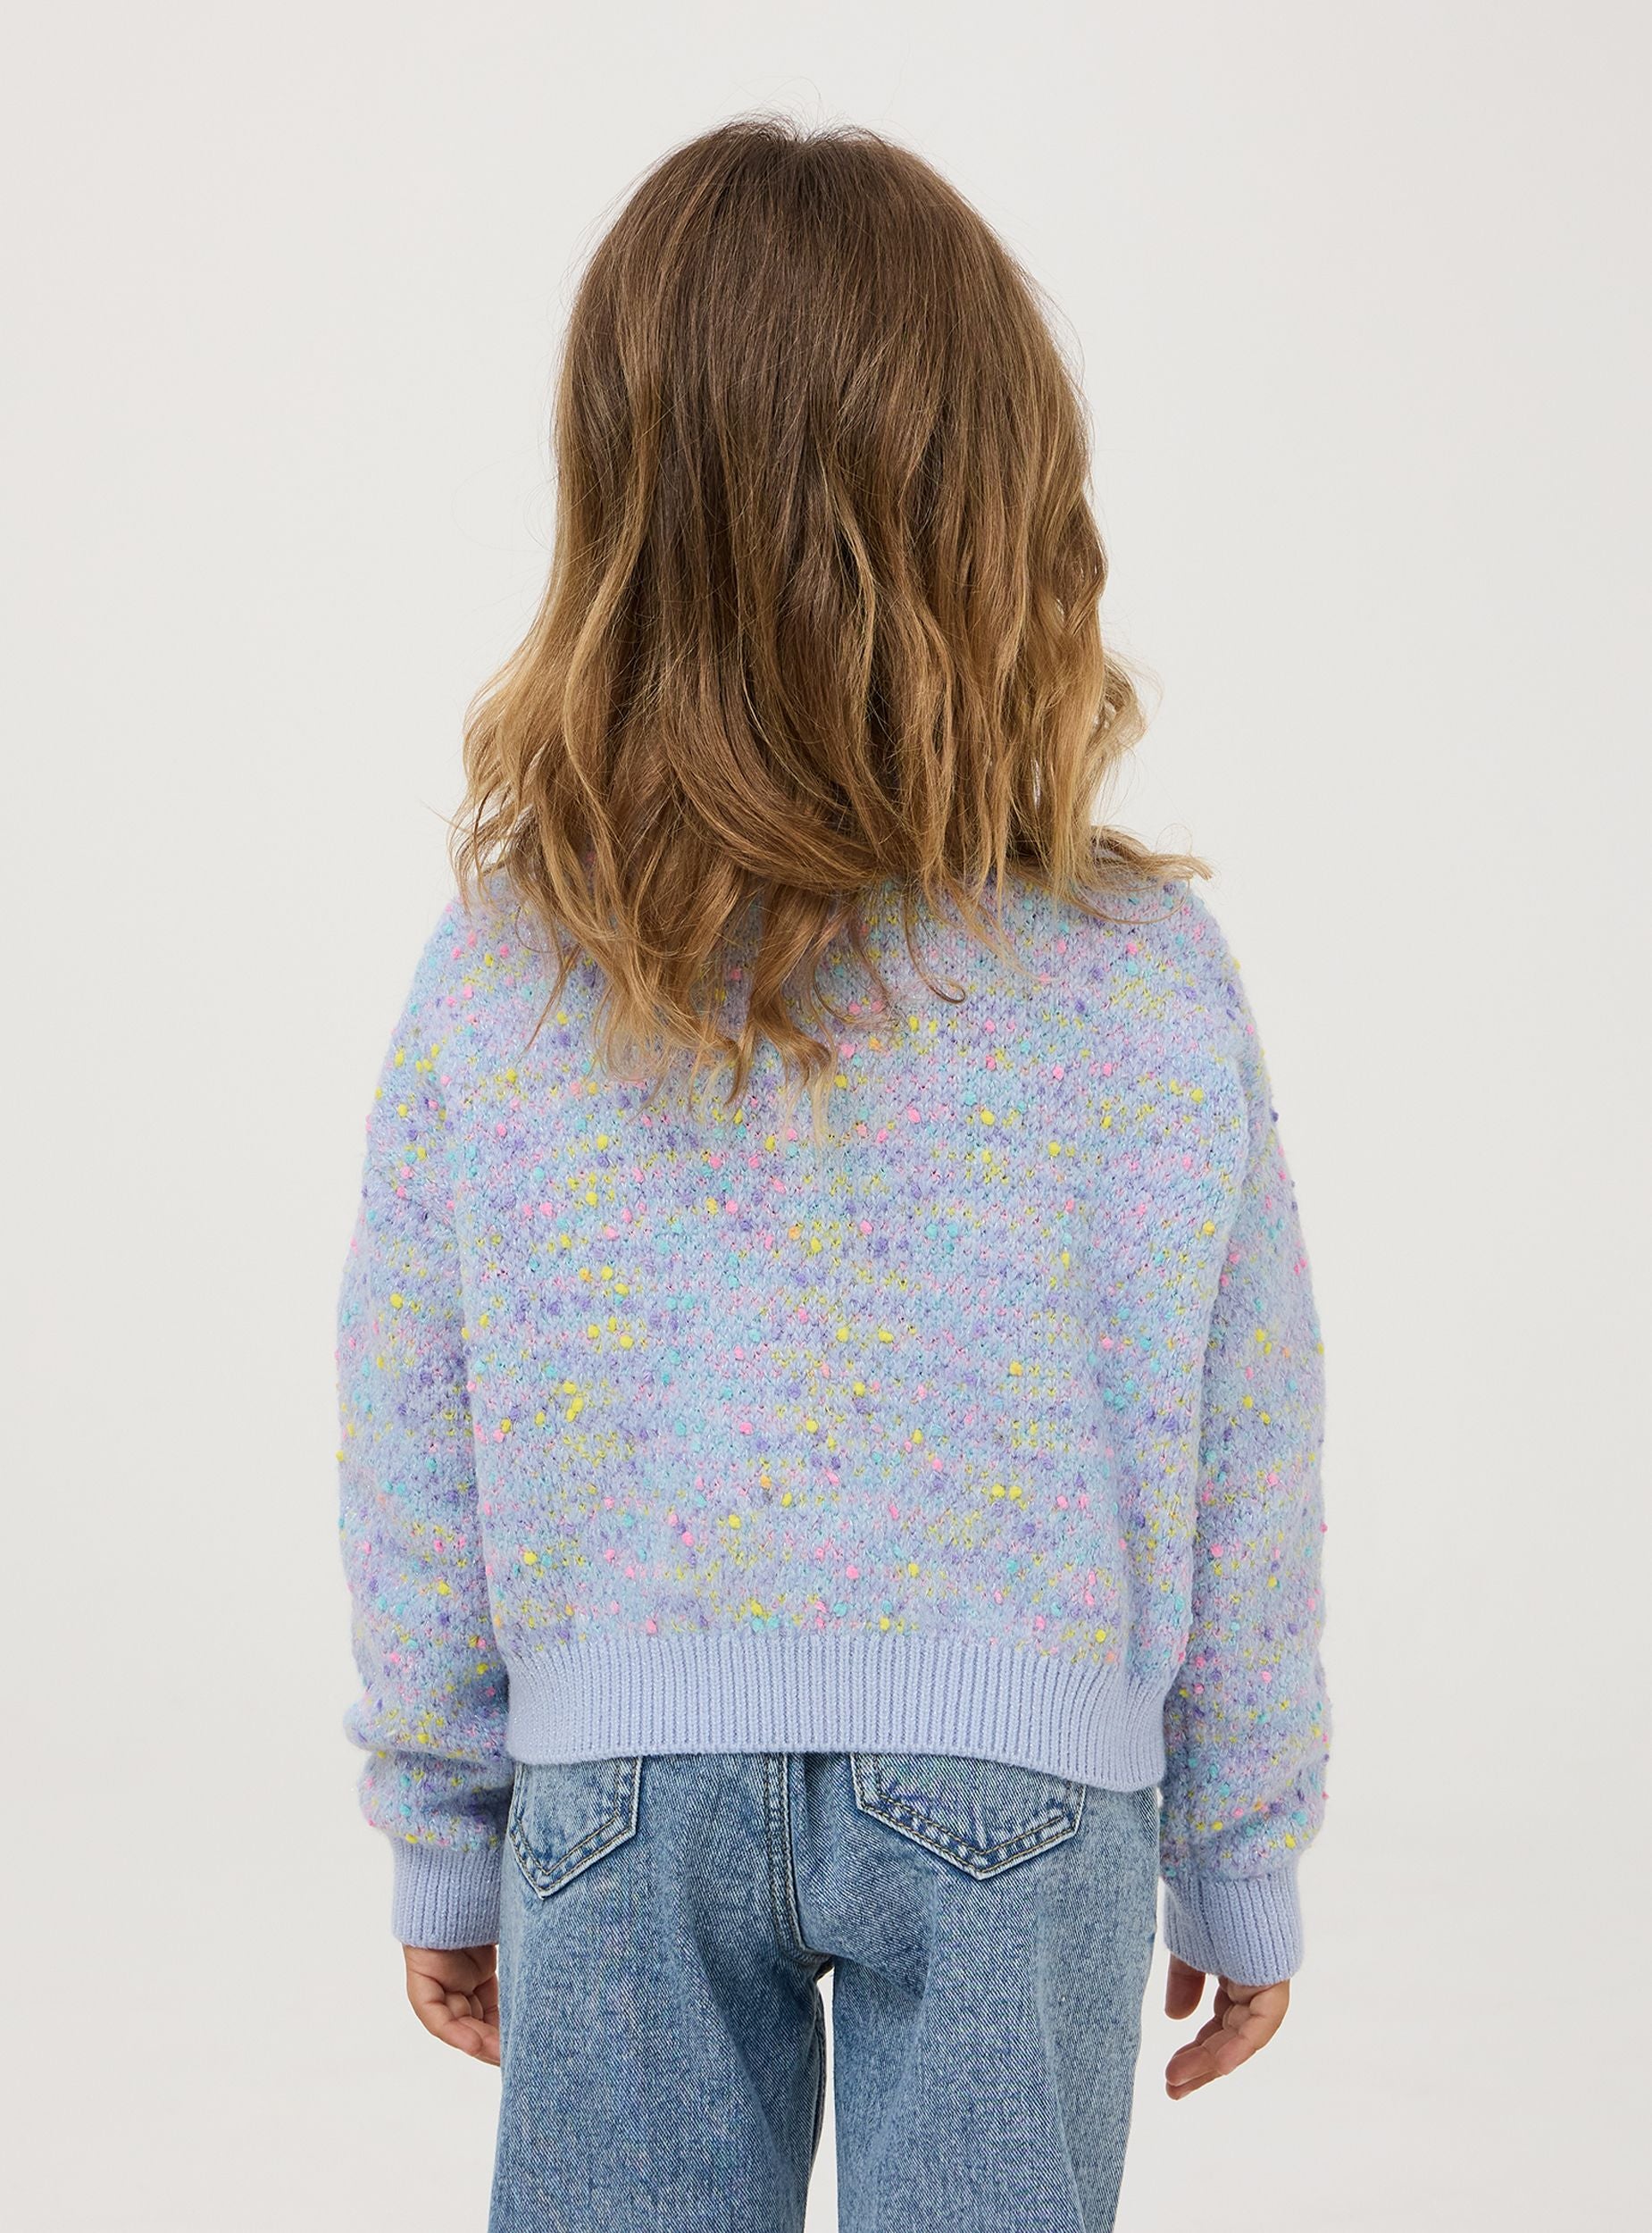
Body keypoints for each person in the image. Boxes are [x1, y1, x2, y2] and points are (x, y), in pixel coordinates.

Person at [334, 113, 1331, 2233]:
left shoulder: (509, 965)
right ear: (1002, 503)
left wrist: (445, 1819)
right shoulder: (1138, 970)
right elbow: (1245, 1427)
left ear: (623, 506)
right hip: (1026, 1779)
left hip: (615, 1779)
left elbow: (411, 1407)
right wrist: (1238, 1839)